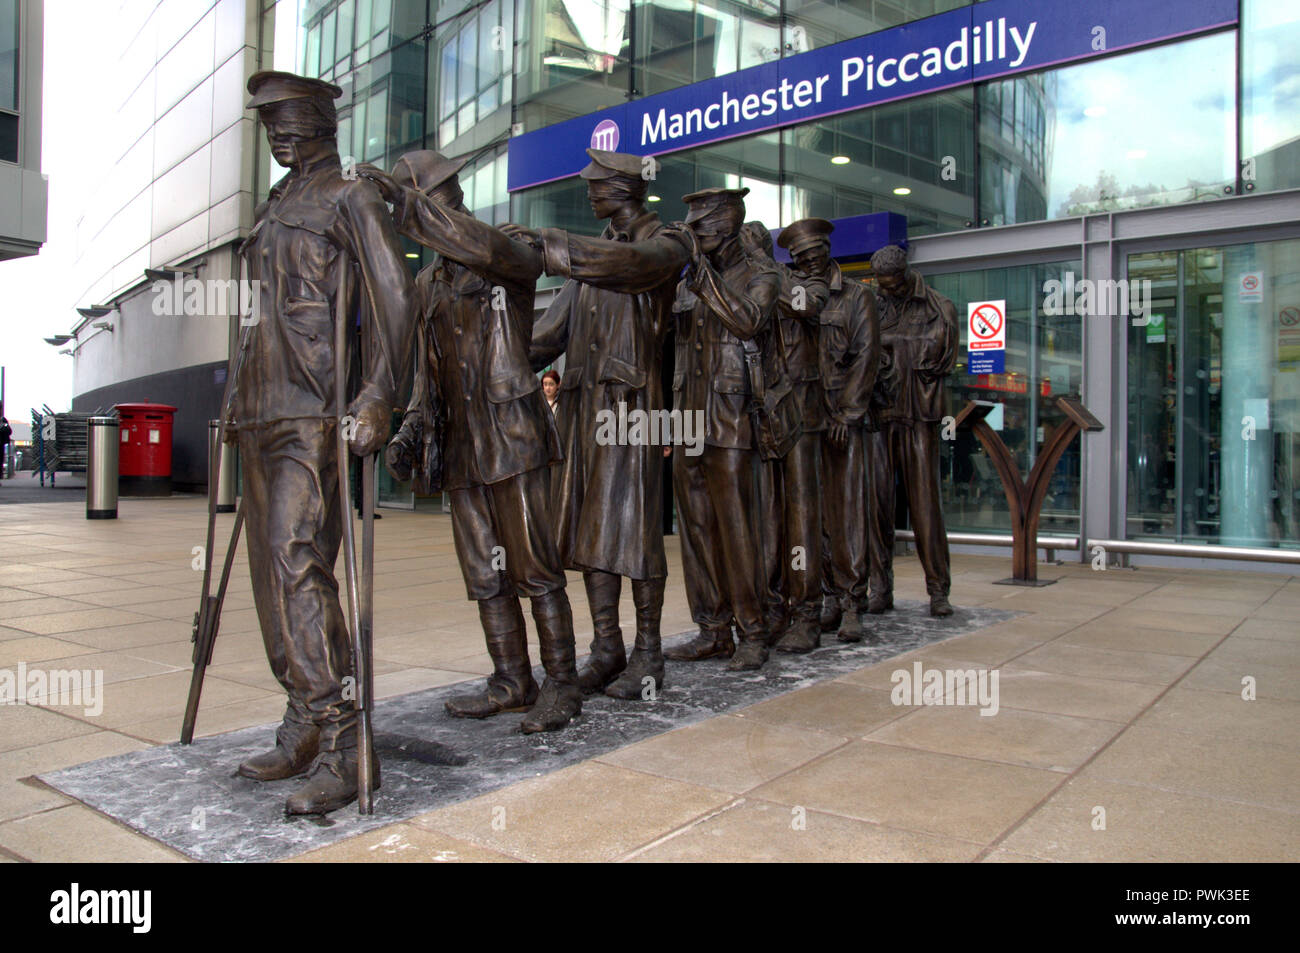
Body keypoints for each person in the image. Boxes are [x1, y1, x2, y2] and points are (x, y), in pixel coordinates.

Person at [231, 71, 415, 815]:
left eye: (291, 119)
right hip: (258, 408)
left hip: (316, 411)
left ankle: (347, 746)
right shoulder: (274, 207)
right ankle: (304, 717)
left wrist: (379, 393)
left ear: (322, 121)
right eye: (269, 122)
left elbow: (396, 296)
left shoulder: (351, 198)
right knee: (271, 582)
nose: (279, 132)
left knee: (298, 562)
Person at [371, 150, 582, 733]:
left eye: (423, 205)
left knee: (534, 568)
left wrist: (405, 205)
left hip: (512, 439)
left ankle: (563, 683)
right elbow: (426, 374)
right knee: (485, 574)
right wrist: (410, 430)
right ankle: (511, 679)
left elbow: (486, 250)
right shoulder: (427, 282)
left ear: (447, 199)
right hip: (461, 448)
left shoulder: (502, 252)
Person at [524, 149, 692, 699]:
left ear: (621, 187)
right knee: (591, 532)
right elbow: (547, 337)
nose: (587, 190)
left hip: (631, 415)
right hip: (582, 414)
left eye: (595, 183)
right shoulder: (590, 262)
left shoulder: (665, 244)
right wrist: (489, 357)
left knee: (636, 530)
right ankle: (607, 645)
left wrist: (553, 246)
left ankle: (648, 652)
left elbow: (632, 268)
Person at [664, 188, 782, 671]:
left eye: (700, 229)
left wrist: (703, 276)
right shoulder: (686, 280)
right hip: (688, 415)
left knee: (737, 529)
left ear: (725, 227)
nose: (692, 237)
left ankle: (753, 630)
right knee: (695, 529)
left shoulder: (761, 273)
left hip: (732, 416)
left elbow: (749, 321)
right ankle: (712, 630)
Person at [777, 220, 880, 642]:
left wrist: (849, 414)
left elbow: (866, 356)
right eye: (800, 259)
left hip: (841, 418)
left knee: (847, 512)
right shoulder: (793, 296)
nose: (808, 264)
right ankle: (823, 597)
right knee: (809, 517)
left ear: (827, 251)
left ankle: (853, 599)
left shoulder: (857, 297)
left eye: (814, 255)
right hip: (803, 419)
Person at [866, 244, 958, 618]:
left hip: (919, 415)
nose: (887, 291)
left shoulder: (938, 306)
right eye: (882, 285)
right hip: (880, 414)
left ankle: (938, 590)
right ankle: (879, 588)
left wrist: (890, 345)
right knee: (877, 506)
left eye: (893, 284)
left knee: (925, 506)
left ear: (906, 274)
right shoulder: (873, 304)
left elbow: (941, 357)